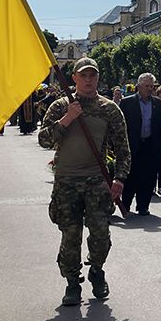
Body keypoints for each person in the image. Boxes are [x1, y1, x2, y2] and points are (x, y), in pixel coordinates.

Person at [38, 57, 130, 306]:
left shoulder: (109, 109)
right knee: (71, 235)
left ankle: (97, 270)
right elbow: (44, 140)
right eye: (84, 75)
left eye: (93, 75)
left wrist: (119, 179)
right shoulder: (60, 106)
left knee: (100, 233)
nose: (89, 80)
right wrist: (68, 118)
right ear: (75, 78)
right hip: (66, 181)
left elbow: (123, 149)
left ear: (98, 78)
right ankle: (72, 282)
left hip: (96, 182)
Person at [119, 73, 161, 216]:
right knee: (130, 177)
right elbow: (119, 126)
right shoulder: (127, 103)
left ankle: (143, 206)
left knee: (148, 178)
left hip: (151, 145)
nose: (150, 89)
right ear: (139, 86)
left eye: (152, 86)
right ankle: (126, 205)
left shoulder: (159, 104)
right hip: (132, 145)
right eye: (147, 86)